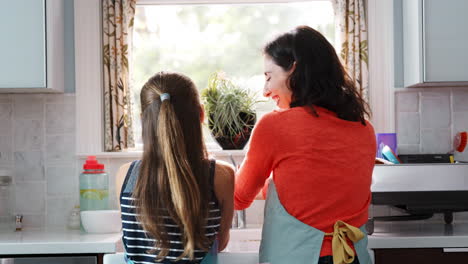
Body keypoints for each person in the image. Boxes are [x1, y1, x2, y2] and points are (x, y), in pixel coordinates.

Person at [234, 26, 376, 264]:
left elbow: (239, 197)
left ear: (294, 69)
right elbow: (317, 189)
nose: (265, 91)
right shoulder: (364, 129)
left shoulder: (275, 126)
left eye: (269, 76)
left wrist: (215, 171)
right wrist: (274, 185)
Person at [115, 72, 235, 264]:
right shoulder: (221, 176)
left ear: (142, 119)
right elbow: (219, 243)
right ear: (201, 114)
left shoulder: (125, 176)